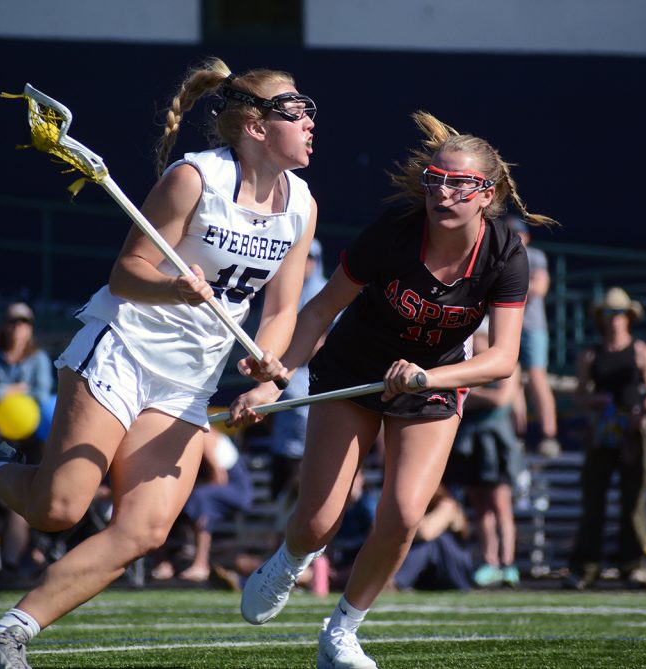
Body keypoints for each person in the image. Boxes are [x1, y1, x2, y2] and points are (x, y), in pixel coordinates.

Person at [0, 56, 316, 668]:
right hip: (124, 347)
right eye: (296, 109)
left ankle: (5, 635)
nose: (310, 120)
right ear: (257, 127)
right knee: (59, 508)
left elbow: (284, 307)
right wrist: (175, 289)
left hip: (189, 379)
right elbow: (126, 274)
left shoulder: (301, 206)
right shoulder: (195, 179)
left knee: (145, 531)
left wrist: (268, 361)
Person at [230, 110, 554, 669]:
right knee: (317, 521)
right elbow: (320, 310)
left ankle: (342, 633)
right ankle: (289, 558)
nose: (443, 192)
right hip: (354, 369)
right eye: (436, 179)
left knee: (405, 513)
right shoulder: (394, 233)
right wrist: (273, 383)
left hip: (433, 382)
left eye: (459, 184)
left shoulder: (505, 254)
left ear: (488, 194)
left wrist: (428, 376)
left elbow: (501, 360)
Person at [563, 287, 646, 590]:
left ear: (629, 317)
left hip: (633, 432)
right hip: (602, 431)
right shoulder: (591, 355)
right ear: (602, 318)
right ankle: (587, 566)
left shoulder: (643, 352)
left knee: (633, 500)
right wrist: (594, 402)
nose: (615, 319)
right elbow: (579, 394)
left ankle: (633, 564)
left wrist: (640, 411)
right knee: (593, 498)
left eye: (619, 313)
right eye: (609, 313)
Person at [0, 302, 53, 581]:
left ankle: (15, 558)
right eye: (13, 321)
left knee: (24, 495)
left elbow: (41, 394)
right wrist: (17, 390)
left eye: (24, 322)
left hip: (30, 439)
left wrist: (1, 391)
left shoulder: (38, 358)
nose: (18, 327)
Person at [445, 317, 524, 588]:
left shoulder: (507, 363)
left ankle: (508, 563)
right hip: (471, 442)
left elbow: (502, 398)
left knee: (501, 504)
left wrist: (469, 390)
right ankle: (490, 561)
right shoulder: (466, 366)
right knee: (479, 506)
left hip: (497, 443)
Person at [268, 238, 329, 519]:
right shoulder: (289, 292)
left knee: (306, 494)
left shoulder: (324, 291)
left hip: (312, 406)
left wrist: (295, 348)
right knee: (282, 500)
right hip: (285, 423)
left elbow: (325, 343)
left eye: (308, 257)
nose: (304, 264)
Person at [150, 429, 253, 582]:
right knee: (162, 498)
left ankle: (201, 564)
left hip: (233, 489)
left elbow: (219, 479)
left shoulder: (202, 435)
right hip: (203, 487)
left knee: (200, 498)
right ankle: (163, 562)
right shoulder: (175, 437)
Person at [507, 215, 561, 458]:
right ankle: (518, 436)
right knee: (512, 378)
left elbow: (540, 287)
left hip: (533, 328)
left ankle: (549, 435)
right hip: (509, 327)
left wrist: (508, 285)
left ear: (526, 237)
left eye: (517, 233)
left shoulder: (536, 256)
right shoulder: (499, 257)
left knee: (538, 377)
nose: (513, 237)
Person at [390, 483, 473, 592]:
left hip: (455, 571)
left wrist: (396, 527)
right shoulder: (418, 510)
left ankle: (395, 582)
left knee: (431, 543)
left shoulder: (448, 506)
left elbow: (425, 533)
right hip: (431, 574)